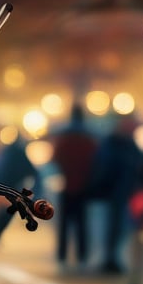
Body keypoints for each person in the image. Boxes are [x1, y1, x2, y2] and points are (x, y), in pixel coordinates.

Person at [89, 114, 143, 274]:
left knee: (119, 227)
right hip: (115, 191)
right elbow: (106, 168)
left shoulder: (122, 144)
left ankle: (114, 258)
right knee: (112, 226)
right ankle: (110, 258)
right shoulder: (117, 144)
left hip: (123, 191)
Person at [49, 102, 96, 273]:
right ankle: (82, 258)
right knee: (82, 224)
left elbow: (55, 158)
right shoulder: (89, 138)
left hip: (66, 184)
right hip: (83, 185)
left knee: (64, 225)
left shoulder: (64, 138)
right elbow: (95, 161)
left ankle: (62, 258)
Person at [0, 132, 39, 244]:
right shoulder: (20, 153)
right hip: (12, 189)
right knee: (7, 212)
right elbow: (32, 171)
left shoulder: (6, 152)